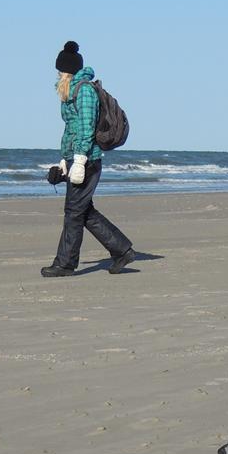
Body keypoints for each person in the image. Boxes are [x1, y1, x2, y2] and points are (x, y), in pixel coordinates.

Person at [40, 41, 136, 278]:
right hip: (76, 158)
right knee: (83, 211)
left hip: (88, 160)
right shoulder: (70, 91)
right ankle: (122, 250)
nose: (58, 74)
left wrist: (80, 160)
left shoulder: (84, 91)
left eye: (60, 70)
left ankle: (65, 263)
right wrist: (64, 160)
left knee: (74, 211)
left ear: (68, 70)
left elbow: (85, 128)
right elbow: (69, 129)